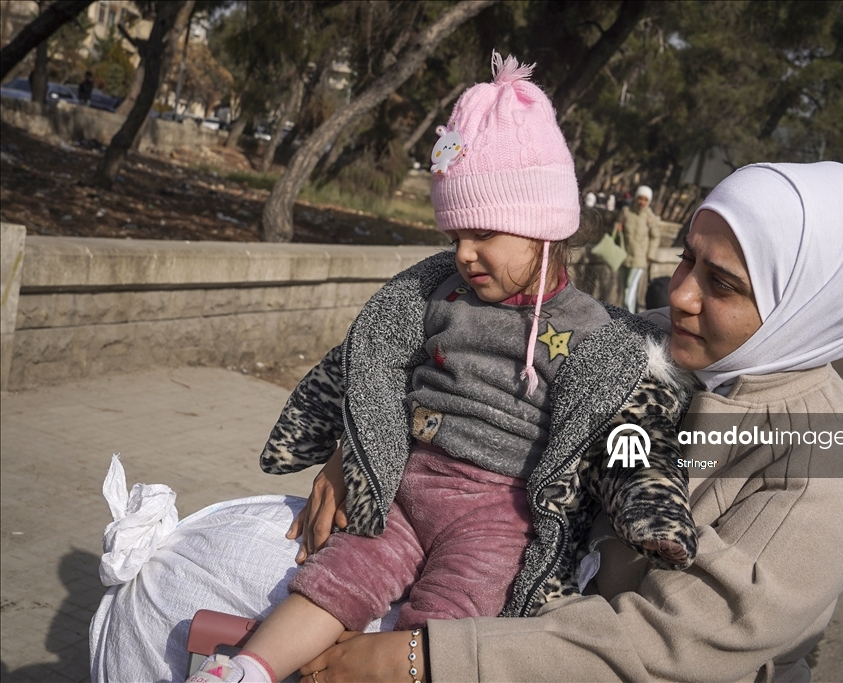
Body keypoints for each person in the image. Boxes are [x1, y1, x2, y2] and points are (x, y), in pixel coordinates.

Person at [186, 52, 697, 683]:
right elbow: (369, 363)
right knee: (335, 578)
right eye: (454, 233)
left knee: (453, 618)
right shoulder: (436, 295)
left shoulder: (597, 335)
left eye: (483, 233)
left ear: (543, 228)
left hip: (500, 516)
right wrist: (350, 445)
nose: (463, 253)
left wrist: (653, 516)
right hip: (410, 485)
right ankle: (246, 670)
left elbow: (628, 438)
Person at [290, 161, 843, 683]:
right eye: (687, 258)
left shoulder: (825, 471)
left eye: (722, 284)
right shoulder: (638, 344)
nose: (682, 294)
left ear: (807, 309)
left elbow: (669, 645)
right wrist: (366, 447)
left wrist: (431, 660)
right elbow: (479, 383)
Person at [616, 184, 661, 313]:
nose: (642, 202)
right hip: (625, 255)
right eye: (640, 198)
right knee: (626, 286)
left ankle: (627, 316)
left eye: (645, 200)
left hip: (640, 259)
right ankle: (634, 314)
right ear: (636, 198)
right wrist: (617, 227)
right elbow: (617, 229)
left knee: (630, 286)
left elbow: (655, 237)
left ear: (649, 201)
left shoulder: (649, 217)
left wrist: (650, 255)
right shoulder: (626, 211)